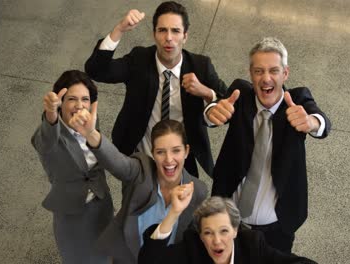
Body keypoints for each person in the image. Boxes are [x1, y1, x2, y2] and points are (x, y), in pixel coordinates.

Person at [205, 37, 331, 253]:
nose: (266, 78)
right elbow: (218, 109)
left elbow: (323, 123)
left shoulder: (298, 99)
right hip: (228, 221)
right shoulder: (240, 94)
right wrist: (211, 112)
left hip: (278, 227)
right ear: (250, 74)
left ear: (285, 73)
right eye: (259, 71)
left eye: (274, 70)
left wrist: (311, 122)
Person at [85, 1, 227, 177]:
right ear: (154, 34)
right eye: (162, 30)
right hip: (140, 159)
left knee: (182, 204)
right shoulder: (139, 59)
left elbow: (226, 103)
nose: (169, 38)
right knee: (137, 204)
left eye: (175, 31)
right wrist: (119, 29)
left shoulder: (200, 66)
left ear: (185, 36)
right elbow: (96, 71)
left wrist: (206, 92)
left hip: (181, 162)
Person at [68, 101, 208, 264]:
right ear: (153, 153)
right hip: (127, 258)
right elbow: (118, 163)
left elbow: (191, 236)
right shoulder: (140, 170)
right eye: (161, 152)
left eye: (176, 150)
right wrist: (91, 134)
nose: (169, 160)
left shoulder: (198, 190)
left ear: (186, 151)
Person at [31, 70, 112, 264]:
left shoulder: (91, 122)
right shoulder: (51, 134)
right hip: (72, 216)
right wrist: (50, 115)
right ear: (61, 104)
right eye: (71, 99)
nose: (79, 105)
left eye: (85, 99)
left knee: (109, 256)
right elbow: (44, 141)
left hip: (101, 206)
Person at [139, 196, 317, 264]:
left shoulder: (252, 246)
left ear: (235, 231)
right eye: (208, 233)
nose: (217, 240)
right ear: (200, 236)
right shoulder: (191, 249)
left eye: (224, 231)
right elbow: (150, 261)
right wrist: (174, 213)